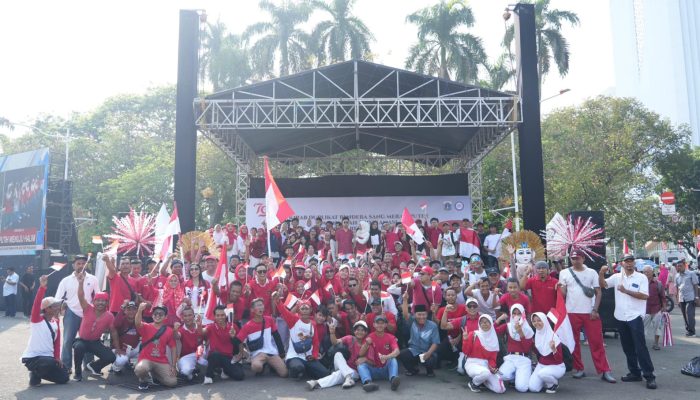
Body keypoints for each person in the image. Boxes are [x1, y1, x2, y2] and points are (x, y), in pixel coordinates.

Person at [599, 254, 656, 389]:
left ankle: (649, 376)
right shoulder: (617, 277)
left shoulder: (641, 277)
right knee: (627, 347)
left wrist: (626, 291)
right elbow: (604, 285)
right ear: (622, 264)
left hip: (635, 317)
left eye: (631, 262)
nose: (629, 264)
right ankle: (634, 372)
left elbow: (644, 296)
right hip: (620, 317)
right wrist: (601, 273)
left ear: (634, 263)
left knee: (640, 347)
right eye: (626, 262)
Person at [559, 251, 615, 382]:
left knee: (597, 342)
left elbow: (598, 291)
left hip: (590, 312)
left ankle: (604, 370)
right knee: (574, 343)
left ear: (583, 258)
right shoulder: (564, 273)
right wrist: (559, 287)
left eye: (577, 258)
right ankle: (579, 368)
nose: (575, 260)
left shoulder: (591, 272)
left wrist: (595, 309)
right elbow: (563, 294)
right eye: (573, 258)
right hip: (571, 312)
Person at [21, 274, 69, 386]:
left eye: (58, 305)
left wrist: (57, 357)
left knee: (64, 377)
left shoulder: (56, 321)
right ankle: (35, 374)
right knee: (48, 362)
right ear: (47, 309)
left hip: (49, 359)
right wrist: (42, 287)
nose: (58, 308)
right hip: (34, 358)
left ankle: (39, 373)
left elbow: (57, 342)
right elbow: (36, 305)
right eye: (55, 306)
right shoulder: (36, 320)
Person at [54, 254, 99, 372]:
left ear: (87, 264)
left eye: (83, 263)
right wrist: (56, 312)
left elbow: (98, 297)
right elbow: (58, 298)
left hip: (87, 313)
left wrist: (96, 312)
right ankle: (66, 366)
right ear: (73, 265)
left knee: (87, 340)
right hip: (71, 313)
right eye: (78, 263)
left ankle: (89, 365)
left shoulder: (93, 279)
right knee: (68, 340)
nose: (81, 266)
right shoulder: (66, 280)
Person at [272, 293, 329, 380]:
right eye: (302, 308)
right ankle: (295, 370)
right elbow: (284, 311)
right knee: (298, 368)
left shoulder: (313, 324)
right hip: (294, 356)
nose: (305, 310)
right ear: (299, 310)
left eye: (307, 308)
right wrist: (277, 301)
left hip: (308, 357)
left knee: (325, 374)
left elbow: (315, 342)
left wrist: (314, 355)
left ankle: (306, 371)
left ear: (310, 310)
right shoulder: (293, 320)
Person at [72, 273, 116, 381]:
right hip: (81, 341)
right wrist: (81, 283)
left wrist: (116, 346)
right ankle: (78, 372)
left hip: (95, 342)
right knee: (79, 347)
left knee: (111, 357)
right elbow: (81, 296)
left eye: (103, 301)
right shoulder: (87, 308)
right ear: (94, 301)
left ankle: (94, 366)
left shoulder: (109, 316)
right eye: (98, 300)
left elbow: (112, 332)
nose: (100, 303)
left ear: (107, 302)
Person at [307, 319, 371, 390]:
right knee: (338, 354)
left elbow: (372, 361)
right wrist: (332, 333)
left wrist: (365, 359)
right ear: (354, 331)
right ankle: (348, 378)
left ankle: (316, 382)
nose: (360, 332)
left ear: (366, 332)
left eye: (362, 330)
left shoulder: (367, 343)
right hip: (344, 366)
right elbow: (335, 343)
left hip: (355, 372)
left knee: (338, 375)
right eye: (357, 330)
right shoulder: (350, 338)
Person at [234, 298, 288, 377]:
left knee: (284, 373)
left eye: (262, 305)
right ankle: (262, 366)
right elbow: (237, 341)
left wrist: (282, 353)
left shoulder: (269, 320)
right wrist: (244, 354)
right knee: (256, 367)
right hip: (257, 354)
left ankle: (271, 365)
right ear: (252, 309)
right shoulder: (248, 326)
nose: (261, 307)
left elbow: (277, 337)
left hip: (271, 352)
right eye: (258, 305)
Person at [134, 302, 178, 391]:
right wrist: (139, 310)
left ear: (166, 317)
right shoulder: (146, 326)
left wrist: (173, 365)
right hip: (146, 359)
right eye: (155, 314)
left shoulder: (169, 330)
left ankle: (155, 376)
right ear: (152, 315)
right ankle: (144, 380)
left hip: (161, 361)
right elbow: (137, 323)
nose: (157, 315)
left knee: (172, 382)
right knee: (140, 369)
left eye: (161, 314)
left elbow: (173, 347)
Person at [201, 305, 245, 384]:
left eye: (222, 315)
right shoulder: (211, 327)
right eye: (217, 315)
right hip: (215, 357)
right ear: (214, 316)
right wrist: (198, 325)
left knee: (240, 375)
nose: (220, 317)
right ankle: (208, 376)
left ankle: (224, 370)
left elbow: (240, 341)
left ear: (226, 315)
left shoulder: (233, 326)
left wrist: (241, 353)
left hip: (228, 357)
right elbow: (202, 332)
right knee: (215, 354)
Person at [494, 304, 534, 393]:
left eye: (519, 313)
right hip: (511, 358)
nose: (516, 316)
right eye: (514, 313)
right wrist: (499, 319)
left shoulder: (527, 328)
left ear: (523, 314)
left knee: (522, 388)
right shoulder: (508, 326)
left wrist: (520, 331)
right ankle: (516, 374)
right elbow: (492, 331)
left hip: (523, 359)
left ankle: (526, 373)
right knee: (501, 375)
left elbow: (527, 348)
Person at [357, 315, 401, 392]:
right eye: (377, 323)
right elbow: (360, 354)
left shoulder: (391, 337)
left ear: (386, 325)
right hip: (373, 369)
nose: (380, 325)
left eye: (382, 323)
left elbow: (397, 351)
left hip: (386, 370)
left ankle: (393, 379)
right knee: (361, 364)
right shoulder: (369, 336)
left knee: (393, 359)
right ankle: (368, 382)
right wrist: (366, 344)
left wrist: (386, 357)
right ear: (374, 325)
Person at [399, 296, 440, 377]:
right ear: (415, 315)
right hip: (414, 350)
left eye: (424, 314)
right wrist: (405, 300)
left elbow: (435, 343)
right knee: (402, 354)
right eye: (419, 314)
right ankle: (413, 370)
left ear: (427, 314)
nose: (422, 317)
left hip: (427, 351)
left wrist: (428, 353)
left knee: (432, 358)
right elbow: (405, 314)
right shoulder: (412, 321)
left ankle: (430, 371)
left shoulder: (433, 325)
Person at [463, 315, 505, 393]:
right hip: (472, 363)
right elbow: (466, 352)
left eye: (486, 322)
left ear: (491, 324)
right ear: (479, 324)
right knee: (485, 373)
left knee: (500, 389)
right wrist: (465, 340)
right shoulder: (474, 334)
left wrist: (492, 367)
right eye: (481, 322)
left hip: (486, 366)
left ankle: (483, 381)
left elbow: (492, 358)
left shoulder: (494, 338)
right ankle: (474, 383)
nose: (484, 324)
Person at [528, 312, 566, 393]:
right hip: (542, 365)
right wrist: (531, 344)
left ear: (544, 321)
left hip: (557, 367)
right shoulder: (537, 334)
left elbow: (559, 359)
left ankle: (553, 384)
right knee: (533, 388)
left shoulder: (554, 337)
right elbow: (540, 353)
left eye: (539, 320)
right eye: (534, 321)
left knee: (542, 373)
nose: (536, 323)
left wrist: (553, 349)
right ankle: (545, 380)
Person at [111, 301, 141, 374]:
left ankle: (139, 368)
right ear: (125, 311)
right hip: (121, 349)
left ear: (137, 310)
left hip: (133, 349)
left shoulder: (139, 320)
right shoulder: (121, 319)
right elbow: (115, 324)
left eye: (134, 309)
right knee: (122, 360)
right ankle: (115, 367)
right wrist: (118, 349)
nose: (131, 311)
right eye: (129, 309)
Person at [642, 266, 666, 350]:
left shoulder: (658, 283)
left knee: (658, 327)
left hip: (657, 309)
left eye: (648, 272)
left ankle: (656, 343)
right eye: (644, 272)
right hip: (645, 310)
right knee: (643, 328)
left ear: (652, 272)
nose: (646, 273)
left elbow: (663, 296)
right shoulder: (641, 283)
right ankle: (642, 344)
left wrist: (664, 307)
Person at [674, 259, 698, 337]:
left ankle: (692, 331)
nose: (679, 267)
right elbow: (677, 288)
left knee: (690, 315)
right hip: (681, 298)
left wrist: (696, 297)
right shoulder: (677, 276)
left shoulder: (691, 273)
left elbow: (695, 285)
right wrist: (677, 299)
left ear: (685, 265)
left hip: (690, 298)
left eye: (680, 266)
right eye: (678, 266)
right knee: (684, 315)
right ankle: (688, 330)